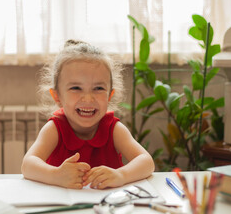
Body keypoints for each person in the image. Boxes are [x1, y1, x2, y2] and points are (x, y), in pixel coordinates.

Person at [21, 40, 155, 189]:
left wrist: (121, 175)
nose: (88, 98)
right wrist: (55, 175)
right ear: (57, 96)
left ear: (110, 96)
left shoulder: (113, 128)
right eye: (76, 88)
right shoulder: (54, 128)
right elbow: (28, 165)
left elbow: (147, 162)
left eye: (98, 88)